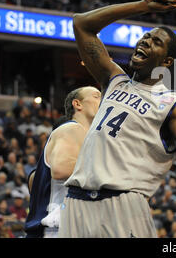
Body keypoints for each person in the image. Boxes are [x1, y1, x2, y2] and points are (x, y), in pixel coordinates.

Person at [58, 0, 176, 238]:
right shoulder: (113, 79)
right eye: (146, 36)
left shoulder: (172, 104)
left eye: (156, 42)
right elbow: (82, 24)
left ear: (167, 61)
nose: (146, 41)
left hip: (122, 205)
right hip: (76, 201)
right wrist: (142, 7)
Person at [24, 86, 101, 238]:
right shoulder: (71, 128)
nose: (103, 99)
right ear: (77, 104)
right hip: (56, 230)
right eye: (96, 96)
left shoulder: (84, 138)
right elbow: (61, 170)